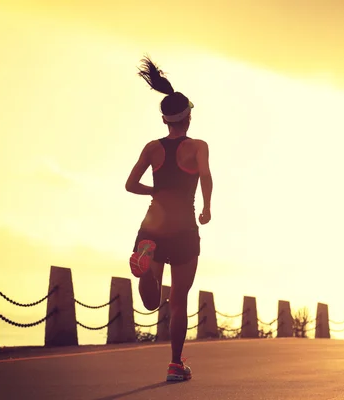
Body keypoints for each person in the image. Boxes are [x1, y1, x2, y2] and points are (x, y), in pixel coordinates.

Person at [125, 56, 213, 382]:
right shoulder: (199, 147)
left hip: (153, 225)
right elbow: (206, 177)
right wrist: (206, 207)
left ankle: (146, 265)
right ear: (188, 118)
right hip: (184, 228)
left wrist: (154, 191)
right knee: (178, 301)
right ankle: (176, 364)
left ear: (165, 120)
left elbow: (130, 184)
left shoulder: (152, 148)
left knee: (150, 302)